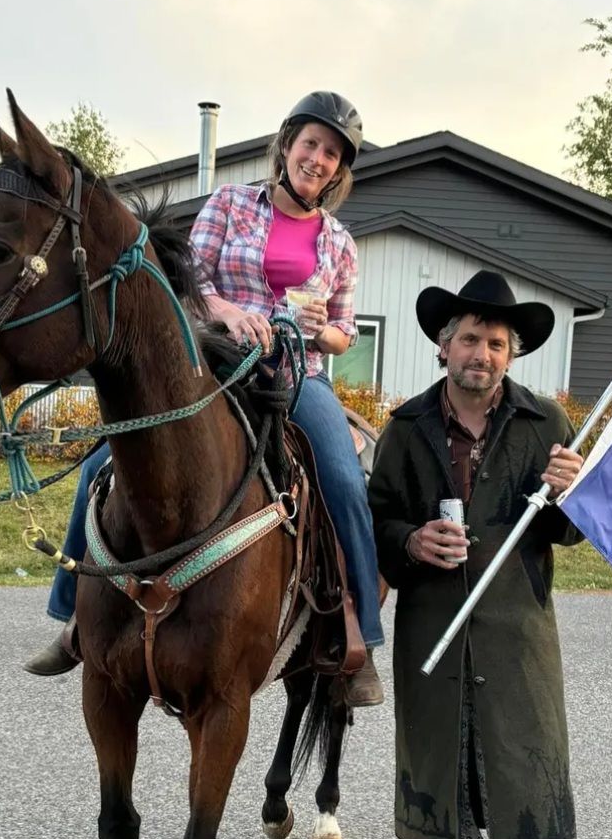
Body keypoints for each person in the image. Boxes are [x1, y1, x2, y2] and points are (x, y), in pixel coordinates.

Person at [24, 91, 385, 707]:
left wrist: (320, 328)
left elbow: (344, 333)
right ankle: (74, 618)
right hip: (215, 366)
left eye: (332, 154)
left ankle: (359, 640)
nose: (318, 159)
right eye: (311, 144)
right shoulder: (230, 204)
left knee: (345, 481)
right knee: (100, 464)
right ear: (287, 145)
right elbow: (188, 282)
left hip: (296, 375)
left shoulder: (340, 243)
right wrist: (226, 312)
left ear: (338, 170)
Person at [366, 270, 587, 839]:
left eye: (496, 342)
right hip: (434, 642)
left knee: (535, 802)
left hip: (518, 646)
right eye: (469, 338)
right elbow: (375, 525)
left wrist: (571, 491)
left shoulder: (543, 422)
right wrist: (410, 539)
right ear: (443, 345)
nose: (481, 353)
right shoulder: (406, 429)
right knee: (439, 803)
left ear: (510, 353)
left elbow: (571, 531)